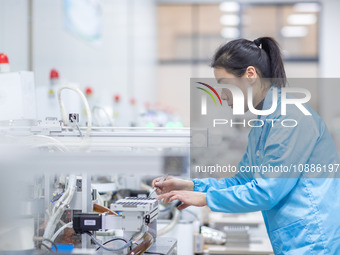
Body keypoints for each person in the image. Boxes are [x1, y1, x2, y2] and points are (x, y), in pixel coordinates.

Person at [153, 37, 340, 254]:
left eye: (225, 85)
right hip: (295, 238)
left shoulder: (291, 117)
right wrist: (192, 186)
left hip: (313, 240)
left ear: (250, 75)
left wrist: (205, 198)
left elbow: (267, 192)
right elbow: (243, 180)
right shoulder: (264, 123)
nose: (222, 96)